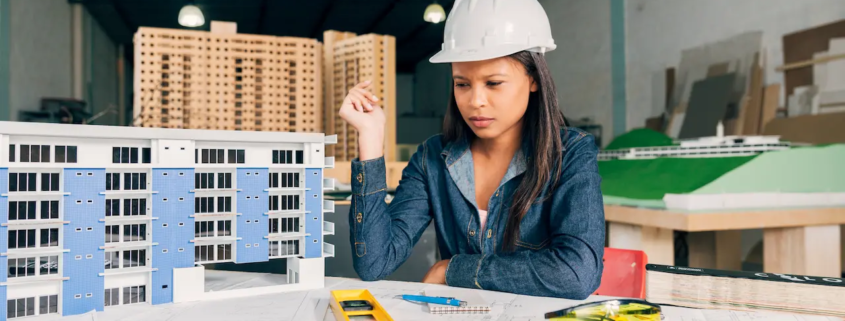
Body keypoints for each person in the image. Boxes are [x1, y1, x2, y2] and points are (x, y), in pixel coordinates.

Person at [337, 0, 605, 300]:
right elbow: (374, 263)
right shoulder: (432, 159)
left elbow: (577, 274)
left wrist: (452, 270)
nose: (475, 100)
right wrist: (371, 137)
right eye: (462, 84)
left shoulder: (569, 153)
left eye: (493, 83)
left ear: (533, 79)